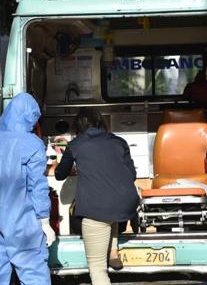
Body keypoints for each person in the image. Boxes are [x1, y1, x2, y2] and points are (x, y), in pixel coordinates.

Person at [0, 93, 56, 285]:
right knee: (33, 272)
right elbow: (37, 186)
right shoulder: (31, 143)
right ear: (30, 117)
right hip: (20, 220)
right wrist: (44, 221)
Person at [54, 108, 139, 285]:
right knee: (109, 200)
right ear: (101, 123)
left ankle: (110, 254)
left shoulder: (75, 145)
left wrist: (76, 167)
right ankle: (113, 251)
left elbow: (59, 175)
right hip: (126, 205)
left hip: (99, 209)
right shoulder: (119, 141)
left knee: (97, 269)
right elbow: (131, 175)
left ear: (77, 127)